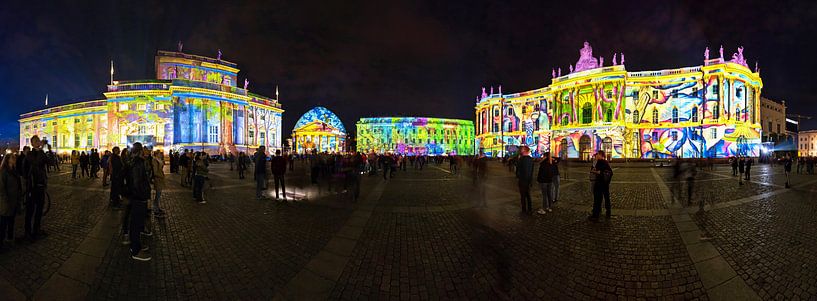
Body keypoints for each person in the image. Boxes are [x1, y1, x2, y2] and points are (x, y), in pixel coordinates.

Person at [125, 143, 152, 261]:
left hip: (135, 197)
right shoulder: (138, 163)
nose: (147, 151)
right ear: (140, 151)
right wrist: (143, 195)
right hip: (138, 197)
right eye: (145, 149)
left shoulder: (133, 162)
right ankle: (135, 250)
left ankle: (137, 245)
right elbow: (137, 183)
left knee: (137, 223)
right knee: (136, 224)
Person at [24, 135, 49, 240]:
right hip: (32, 187)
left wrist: (49, 149)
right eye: (36, 141)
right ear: (32, 143)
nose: (39, 142)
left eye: (39, 141)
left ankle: (36, 230)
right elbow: (36, 162)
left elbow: (51, 162)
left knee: (39, 210)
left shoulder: (41, 153)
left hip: (40, 186)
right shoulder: (29, 154)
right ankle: (28, 232)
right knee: (30, 211)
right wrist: (41, 150)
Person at [0, 154, 22, 250]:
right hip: (6, 202)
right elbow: (1, 189)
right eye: (12, 158)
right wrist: (5, 201)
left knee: (11, 222)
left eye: (14, 158)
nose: (14, 159)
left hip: (14, 201)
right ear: (7, 160)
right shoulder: (3, 172)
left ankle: (9, 239)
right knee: (3, 224)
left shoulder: (14, 171)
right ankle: (1, 242)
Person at [589, 151, 613, 221]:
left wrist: (597, 172)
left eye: (598, 154)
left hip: (601, 183)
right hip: (602, 184)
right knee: (603, 198)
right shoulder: (597, 162)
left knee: (598, 199)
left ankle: (596, 215)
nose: (596, 156)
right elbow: (593, 169)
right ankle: (603, 212)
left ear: (601, 155)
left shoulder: (603, 162)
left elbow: (606, 172)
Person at [516, 146, 534, 215]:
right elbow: (531, 171)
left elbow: (519, 171)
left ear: (524, 151)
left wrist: (519, 176)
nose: (521, 150)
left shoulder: (522, 159)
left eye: (522, 149)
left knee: (523, 196)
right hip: (528, 180)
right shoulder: (531, 159)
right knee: (528, 195)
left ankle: (524, 210)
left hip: (523, 180)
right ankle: (530, 209)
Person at [151, 150, 166, 216]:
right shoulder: (155, 160)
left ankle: (157, 207)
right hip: (158, 179)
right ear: (156, 154)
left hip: (160, 178)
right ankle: (155, 209)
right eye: (160, 153)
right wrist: (161, 176)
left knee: (159, 194)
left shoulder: (159, 160)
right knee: (158, 194)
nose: (161, 154)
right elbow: (155, 172)